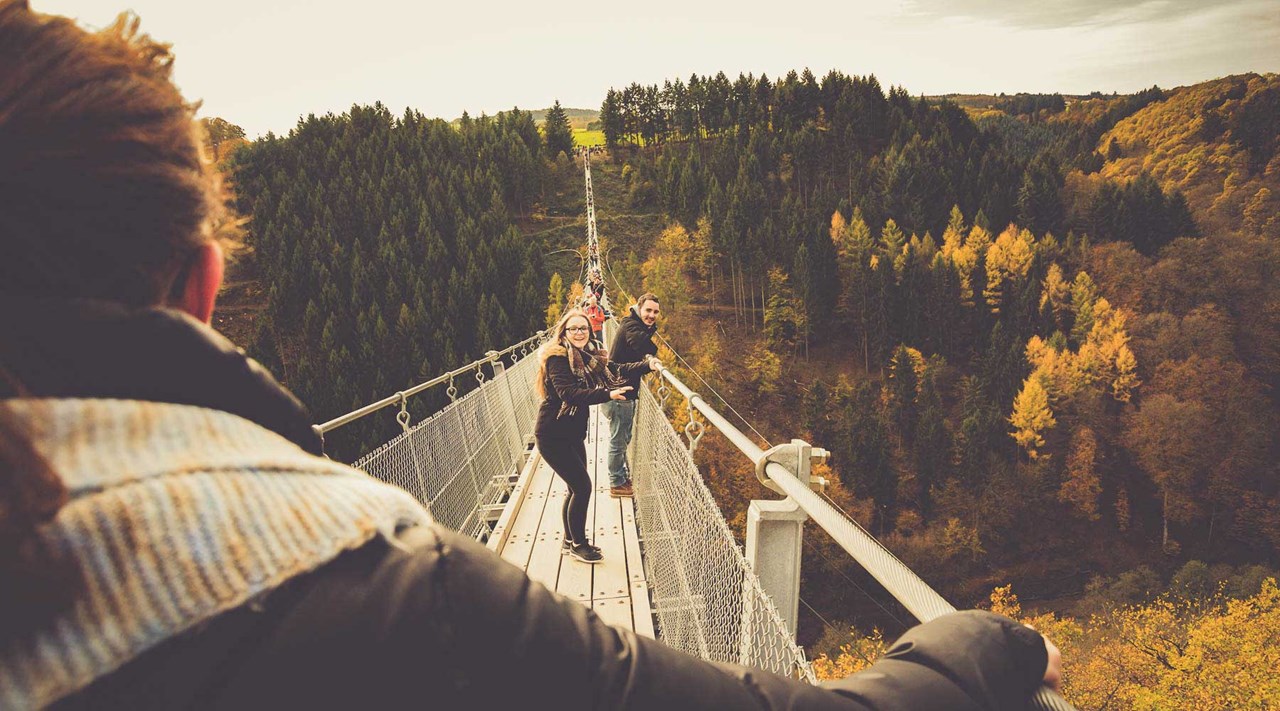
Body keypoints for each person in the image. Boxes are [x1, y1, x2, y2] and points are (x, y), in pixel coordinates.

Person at [0, 3, 1063, 708]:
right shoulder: (391, 592)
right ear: (202, 289)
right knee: (580, 494)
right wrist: (985, 650)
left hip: (572, 427)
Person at [534, 309, 654, 563]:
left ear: (590, 331)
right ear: (564, 332)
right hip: (552, 434)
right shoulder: (558, 357)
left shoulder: (590, 355)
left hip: (573, 432)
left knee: (574, 487)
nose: (579, 333)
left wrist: (646, 364)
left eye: (583, 328)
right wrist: (607, 395)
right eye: (574, 328)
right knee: (582, 487)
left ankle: (570, 541)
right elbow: (569, 394)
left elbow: (616, 367)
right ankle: (579, 544)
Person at [604, 292, 661, 498]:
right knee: (618, 440)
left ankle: (619, 477)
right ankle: (616, 484)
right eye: (648, 310)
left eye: (655, 312)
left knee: (623, 436)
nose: (652, 315)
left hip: (623, 391)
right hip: (620, 393)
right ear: (639, 308)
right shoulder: (631, 327)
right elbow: (644, 346)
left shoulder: (633, 324)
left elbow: (644, 345)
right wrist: (648, 362)